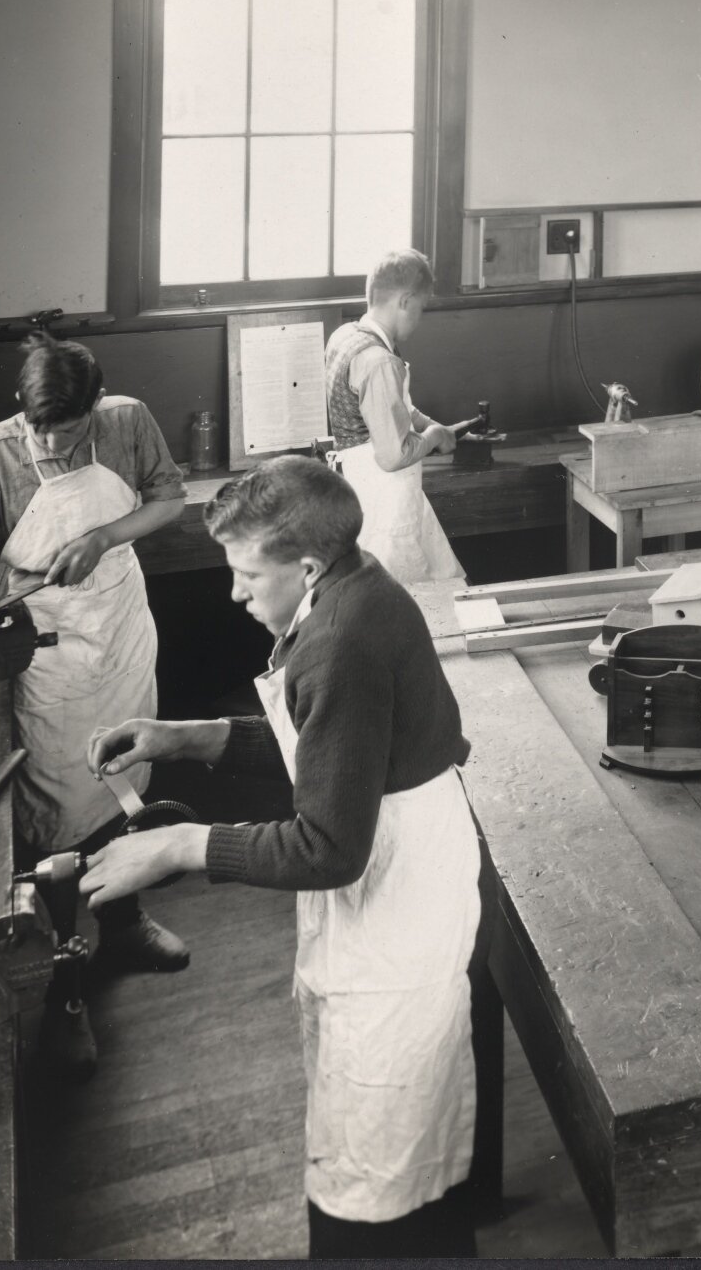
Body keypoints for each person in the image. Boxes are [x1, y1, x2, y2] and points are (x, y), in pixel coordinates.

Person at [83, 456, 487, 1256]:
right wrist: (186, 737)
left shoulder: (340, 638)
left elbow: (330, 845)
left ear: (304, 566)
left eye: (245, 573)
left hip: (393, 899)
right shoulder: (354, 587)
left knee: (375, 1172)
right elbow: (329, 747)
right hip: (400, 865)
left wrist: (178, 847)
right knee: (396, 1146)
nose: (234, 593)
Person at [0, 332, 190, 1079]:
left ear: (95, 404)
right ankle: (65, 992)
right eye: (43, 428)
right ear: (20, 408)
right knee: (59, 803)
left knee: (127, 778)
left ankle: (125, 922)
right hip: (48, 641)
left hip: (120, 625)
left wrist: (106, 536)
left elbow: (170, 498)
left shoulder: (128, 420)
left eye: (69, 429)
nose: (53, 442)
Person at [324, 248, 478, 587]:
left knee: (441, 581)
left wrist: (430, 425)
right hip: (387, 502)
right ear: (405, 300)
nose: (419, 319)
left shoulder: (346, 337)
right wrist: (435, 438)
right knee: (408, 598)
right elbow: (393, 455)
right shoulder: (378, 360)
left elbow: (392, 408)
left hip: (365, 490)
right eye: (421, 308)